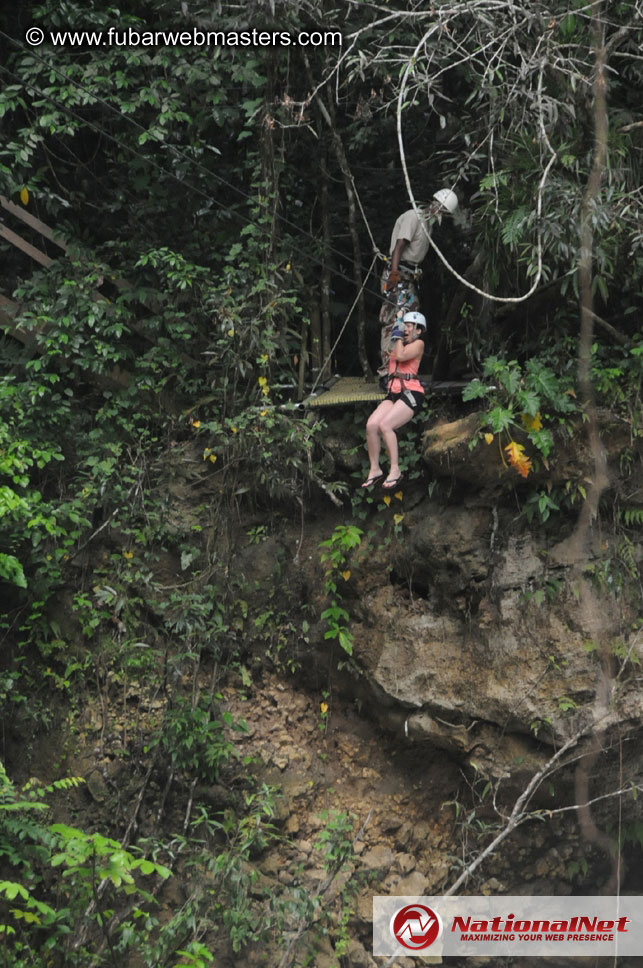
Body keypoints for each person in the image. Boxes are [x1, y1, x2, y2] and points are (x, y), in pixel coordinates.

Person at [379, 190, 458, 374]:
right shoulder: (414, 217)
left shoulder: (427, 223)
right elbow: (399, 246)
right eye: (442, 210)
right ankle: (387, 372)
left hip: (409, 277)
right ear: (435, 204)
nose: (441, 215)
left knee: (411, 321)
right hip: (398, 274)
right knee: (394, 320)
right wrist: (394, 274)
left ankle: (403, 368)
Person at [362, 311, 427, 490]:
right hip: (393, 393)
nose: (405, 329)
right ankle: (375, 469)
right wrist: (398, 320)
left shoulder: (419, 344)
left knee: (386, 425)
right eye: (404, 326)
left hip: (411, 393)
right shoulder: (399, 343)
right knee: (371, 425)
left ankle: (395, 469)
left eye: (409, 326)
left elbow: (401, 356)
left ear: (418, 331)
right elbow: (393, 352)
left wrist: (398, 334)